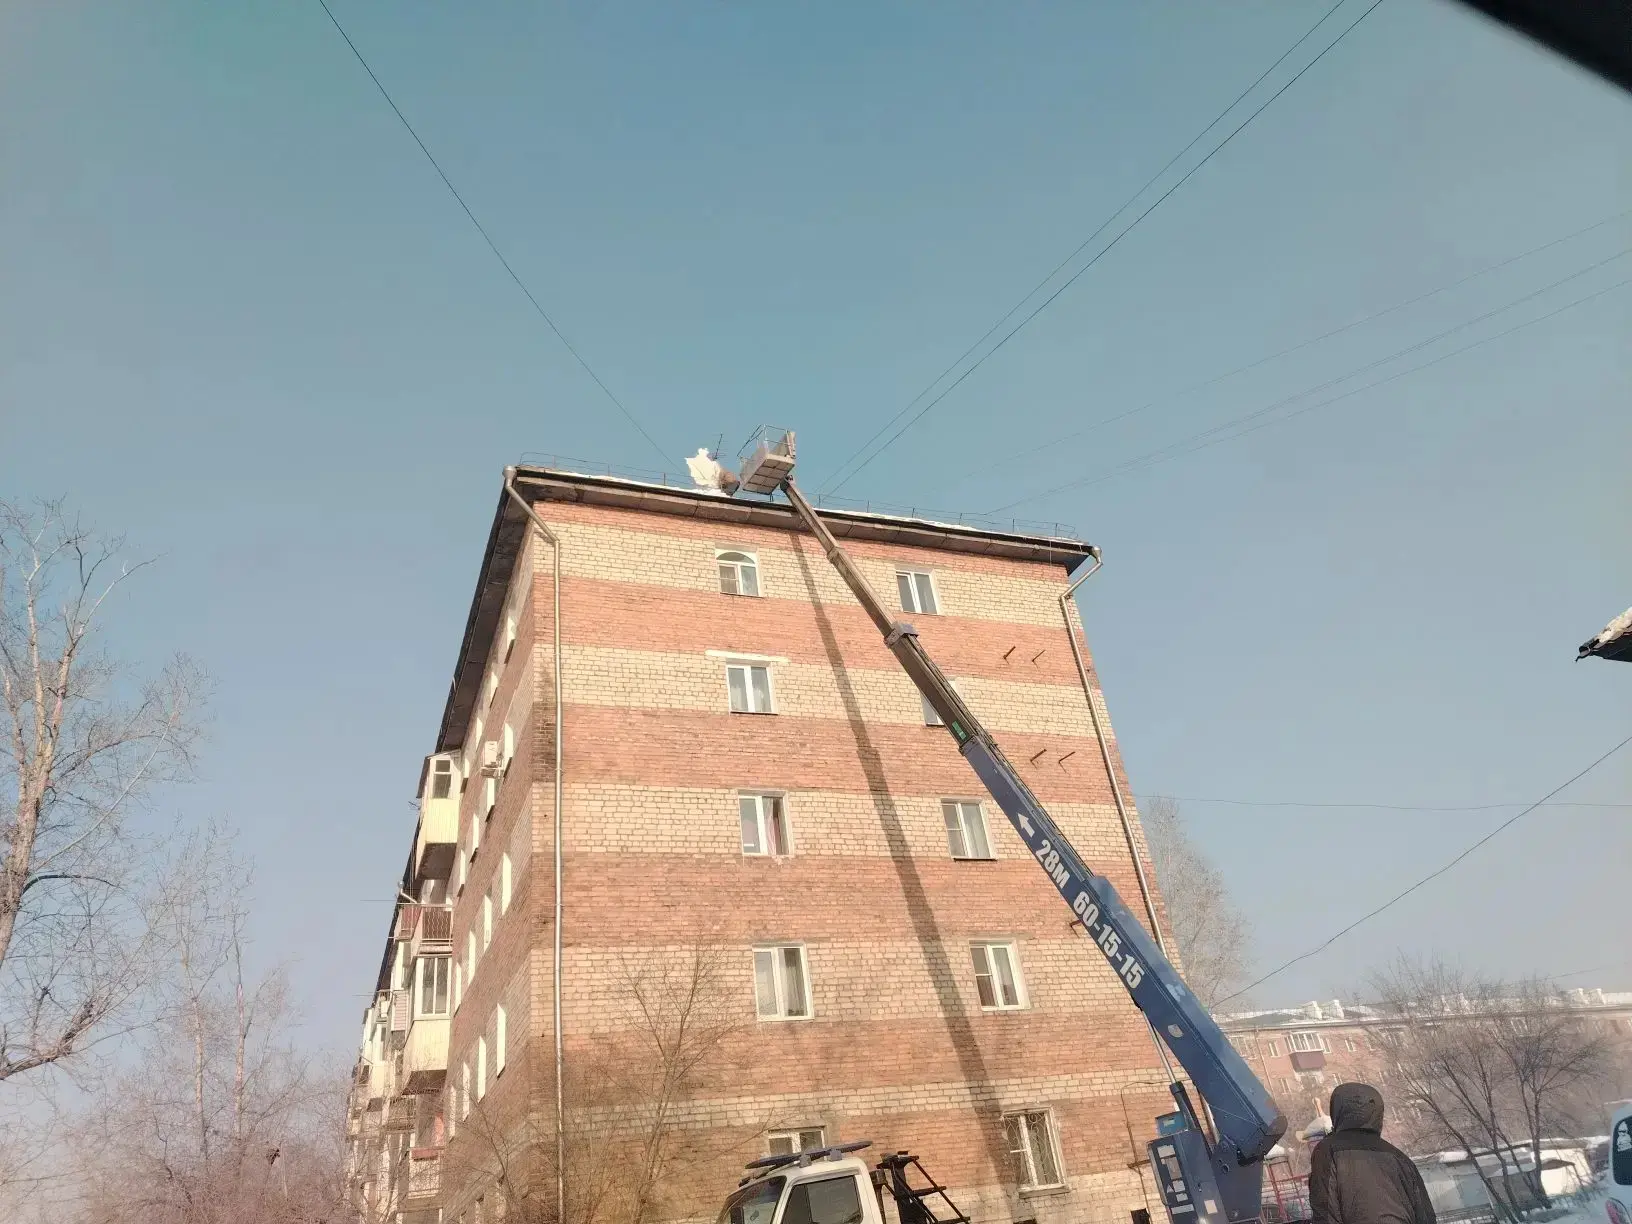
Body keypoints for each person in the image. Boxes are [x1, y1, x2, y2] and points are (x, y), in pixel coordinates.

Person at [1309, 1082, 1436, 1224]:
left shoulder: (1327, 1150)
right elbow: (1425, 1215)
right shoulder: (1400, 1157)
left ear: (1338, 1111)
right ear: (1377, 1114)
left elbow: (1326, 1211)